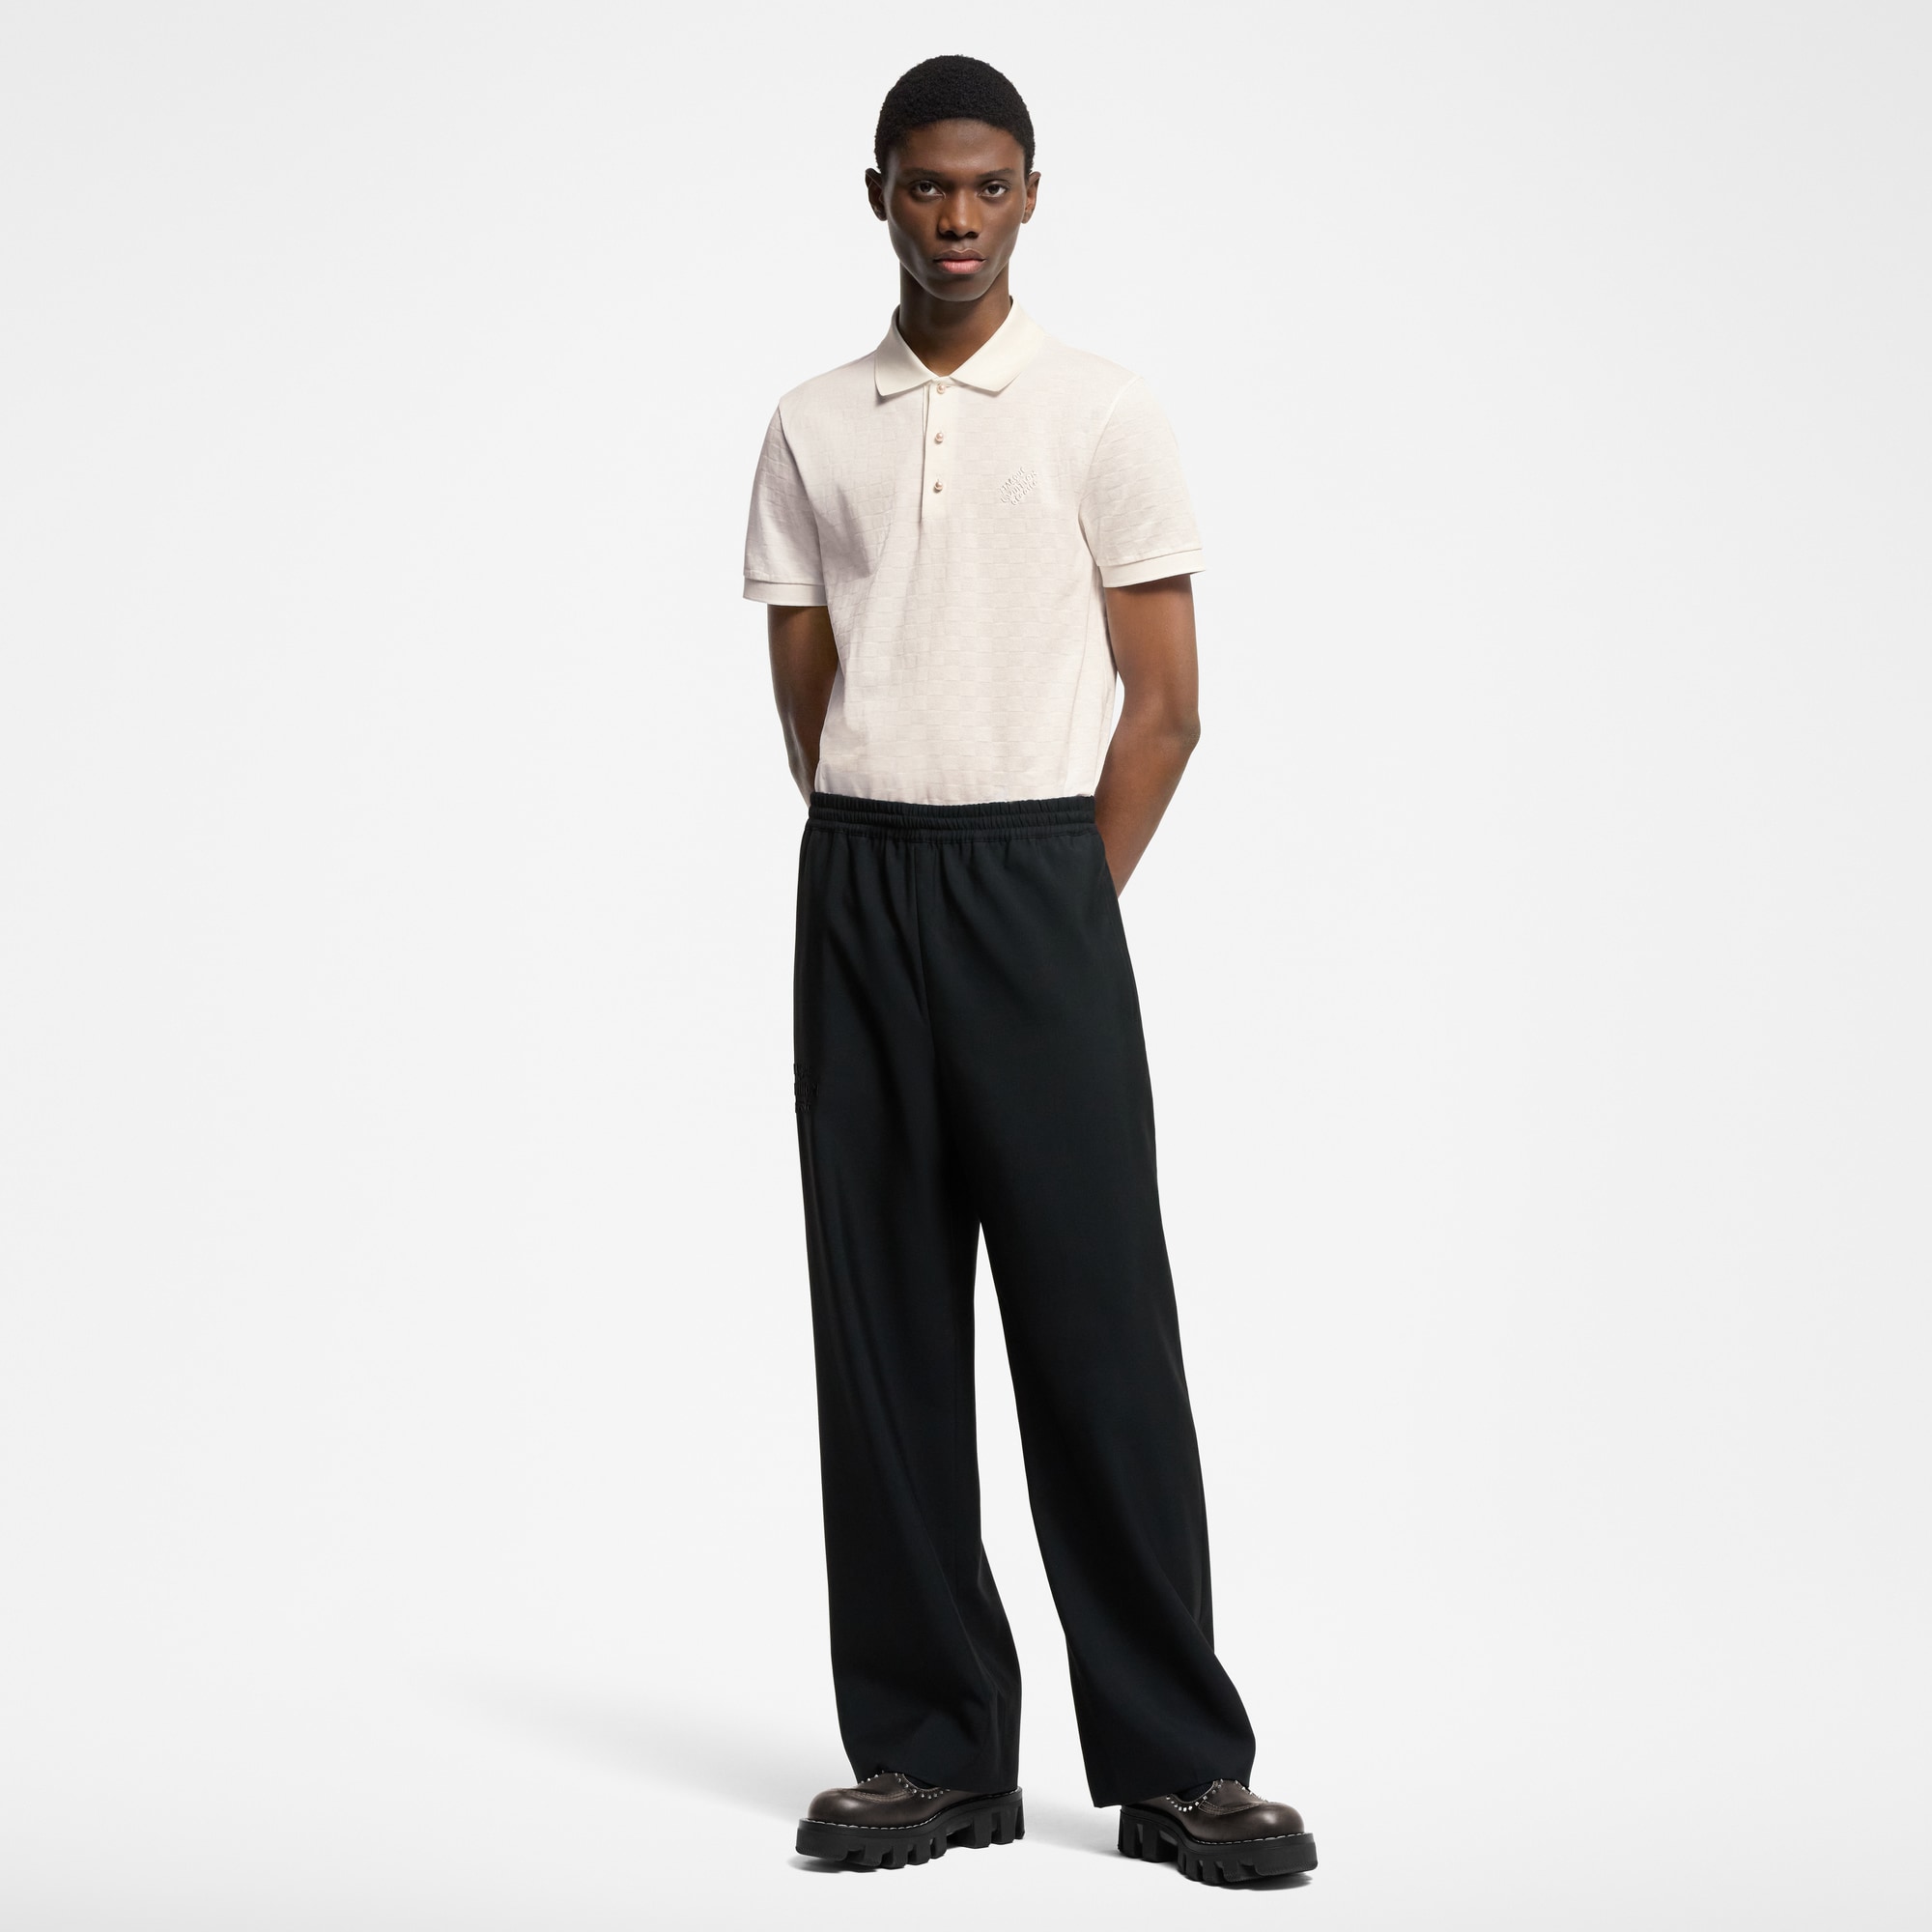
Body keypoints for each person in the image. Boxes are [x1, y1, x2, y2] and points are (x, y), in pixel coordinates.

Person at [744, 55, 1316, 1887]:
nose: (958, 219)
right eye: (928, 186)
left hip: (1035, 883)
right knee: (884, 1335)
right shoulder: (812, 423)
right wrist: (886, 838)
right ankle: (930, 1759)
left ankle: (1178, 1764)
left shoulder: (1101, 410)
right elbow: (809, 693)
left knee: (1099, 1333)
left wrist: (1059, 897)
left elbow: (1169, 706)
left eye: (989, 187)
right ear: (879, 194)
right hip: (863, 879)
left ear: (1033, 197)